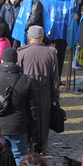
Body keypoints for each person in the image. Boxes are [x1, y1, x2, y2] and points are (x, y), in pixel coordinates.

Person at [17, 25, 60, 154]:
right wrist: (55, 97)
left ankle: (29, 141)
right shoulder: (51, 53)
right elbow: (55, 78)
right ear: (42, 37)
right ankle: (41, 144)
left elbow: (19, 73)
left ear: (29, 38)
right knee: (43, 118)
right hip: (45, 90)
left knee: (28, 116)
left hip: (27, 90)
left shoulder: (22, 52)